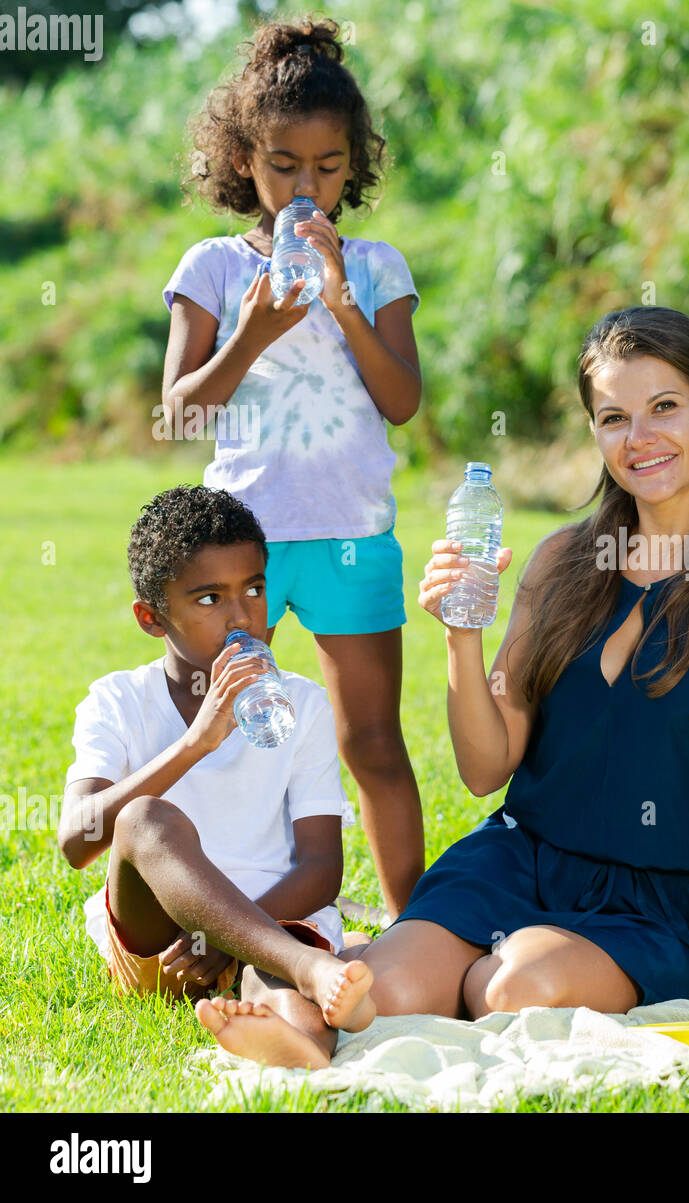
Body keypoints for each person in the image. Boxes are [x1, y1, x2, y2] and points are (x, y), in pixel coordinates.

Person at [197, 306, 689, 1070]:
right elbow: (485, 767)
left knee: (513, 984)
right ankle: (307, 1012)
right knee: (381, 996)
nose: (640, 438)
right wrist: (462, 631)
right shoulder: (562, 560)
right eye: (614, 417)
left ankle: (356, 956)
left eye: (666, 407)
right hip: (523, 859)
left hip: (676, 900)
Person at [160, 18, 424, 920]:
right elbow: (181, 409)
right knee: (229, 735)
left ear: (354, 166)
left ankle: (409, 923)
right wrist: (255, 330)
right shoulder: (214, 269)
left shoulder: (381, 265)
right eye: (282, 166)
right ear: (242, 160)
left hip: (353, 538)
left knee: (374, 742)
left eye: (327, 166)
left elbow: (401, 400)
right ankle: (226, 910)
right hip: (241, 550)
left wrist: (344, 301)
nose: (304, 187)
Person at [58, 486, 375, 1054]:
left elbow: (323, 866)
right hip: (160, 944)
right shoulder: (116, 700)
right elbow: (76, 841)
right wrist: (194, 744)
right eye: (209, 599)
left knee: (299, 1022)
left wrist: (229, 935)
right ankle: (304, 966)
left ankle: (297, 1035)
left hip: (272, 924)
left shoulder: (301, 705)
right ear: (151, 618)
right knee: (146, 818)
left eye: (254, 590)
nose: (242, 617)